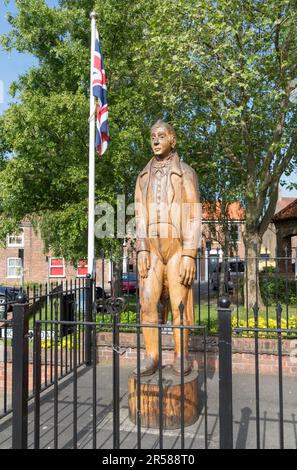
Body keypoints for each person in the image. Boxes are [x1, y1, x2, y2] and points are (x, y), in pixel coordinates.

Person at [134, 120, 201, 376]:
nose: (155, 140)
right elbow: (139, 215)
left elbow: (194, 216)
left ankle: (181, 356)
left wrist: (189, 254)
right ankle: (151, 356)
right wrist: (141, 248)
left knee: (178, 305)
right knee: (147, 303)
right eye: (152, 136)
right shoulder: (142, 177)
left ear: (172, 139)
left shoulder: (186, 173)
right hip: (151, 250)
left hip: (176, 249)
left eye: (161, 136)